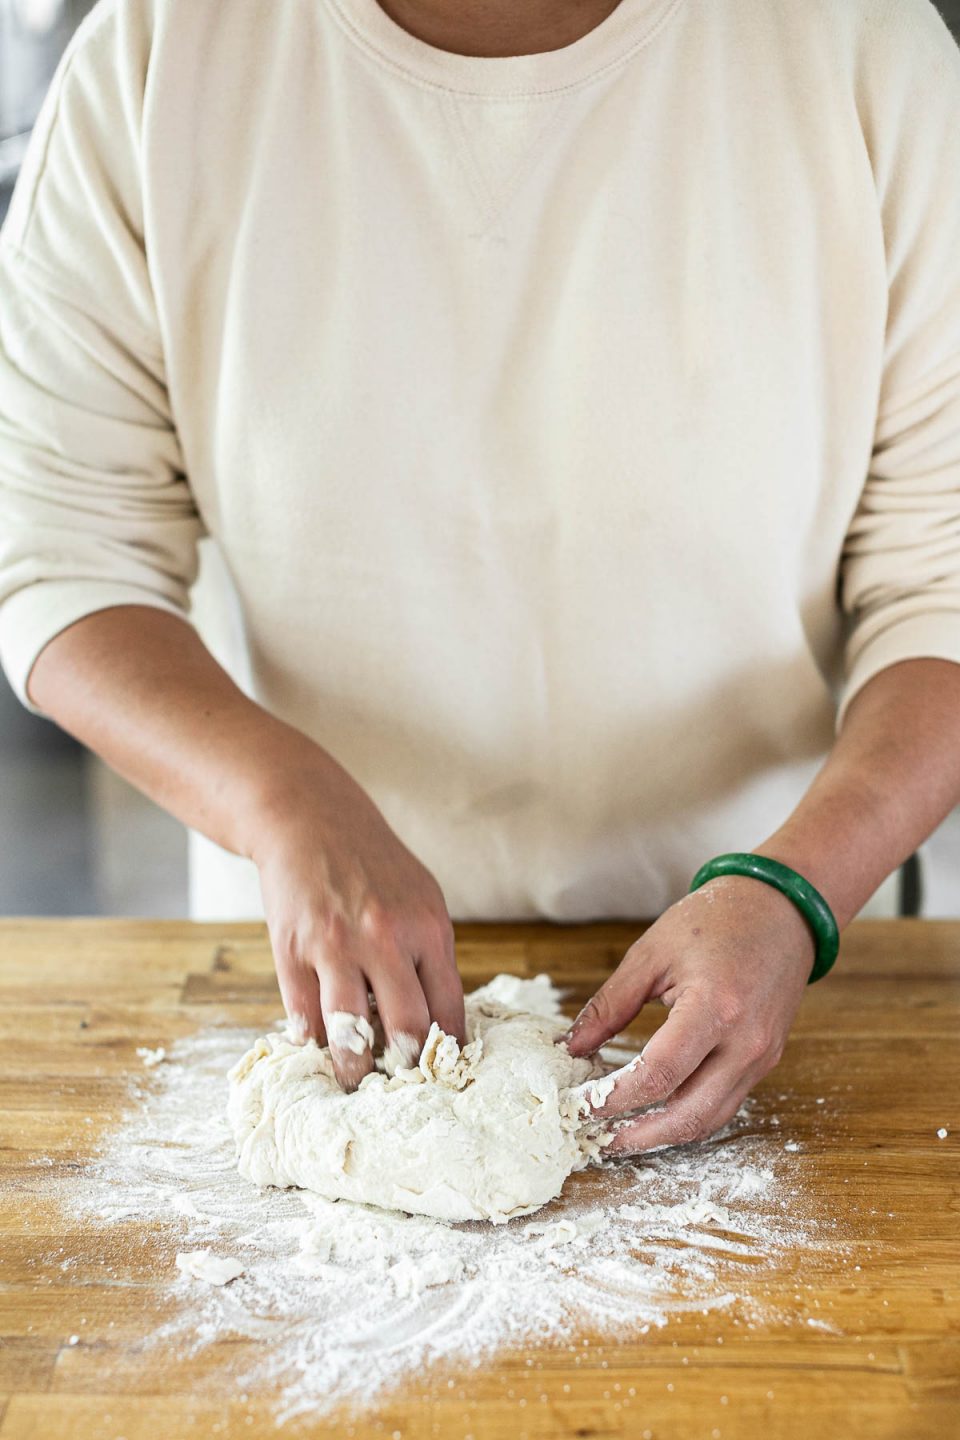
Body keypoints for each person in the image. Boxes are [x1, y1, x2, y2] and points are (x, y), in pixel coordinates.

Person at [1, 0, 959, 1152]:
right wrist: (279, 798)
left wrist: (795, 891)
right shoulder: (164, 51)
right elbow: (61, 550)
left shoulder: (863, 47)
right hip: (336, 995)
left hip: (782, 969)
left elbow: (941, 586)